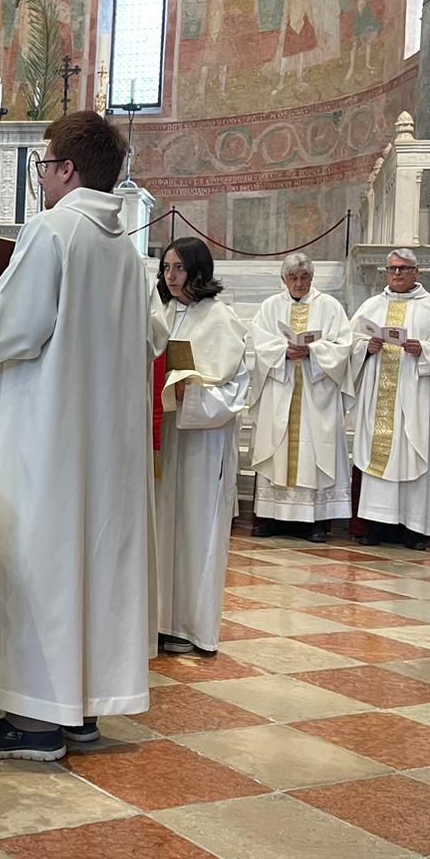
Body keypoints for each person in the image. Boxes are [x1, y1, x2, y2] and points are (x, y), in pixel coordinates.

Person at [0, 110, 163, 760]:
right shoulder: (123, 244)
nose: (41, 178)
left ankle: (34, 720)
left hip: (48, 433)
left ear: (65, 169)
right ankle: (80, 708)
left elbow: (21, 327)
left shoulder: (53, 230)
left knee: (40, 559)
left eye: (43, 165)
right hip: (104, 440)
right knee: (90, 561)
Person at [154, 236, 250, 656]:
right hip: (165, 436)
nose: (170, 276)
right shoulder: (164, 313)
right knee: (162, 527)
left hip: (202, 440)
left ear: (198, 270)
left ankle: (193, 626)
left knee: (196, 529)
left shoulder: (221, 319)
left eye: (178, 268)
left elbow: (234, 388)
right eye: (166, 268)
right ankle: (158, 619)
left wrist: (188, 391)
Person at [349, 248, 430, 549]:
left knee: (415, 452)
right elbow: (350, 344)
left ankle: (415, 529)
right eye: (392, 269)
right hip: (378, 399)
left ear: (416, 272)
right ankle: (376, 527)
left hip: (417, 399)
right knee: (379, 458)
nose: (397, 274)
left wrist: (424, 350)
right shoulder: (371, 306)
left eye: (403, 269)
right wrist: (366, 348)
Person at [247, 252, 352, 543]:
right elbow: (259, 341)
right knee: (276, 446)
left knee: (313, 449)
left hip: (315, 392)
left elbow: (343, 345)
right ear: (284, 279)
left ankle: (315, 520)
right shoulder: (270, 306)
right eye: (293, 277)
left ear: (312, 277)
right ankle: (270, 516)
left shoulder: (330, 307)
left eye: (304, 277)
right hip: (279, 389)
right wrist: (283, 351)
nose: (299, 282)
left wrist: (313, 351)